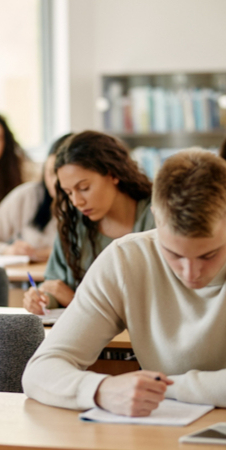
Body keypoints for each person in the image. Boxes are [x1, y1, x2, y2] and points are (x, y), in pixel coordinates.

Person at [23, 149, 226, 415]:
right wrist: (100, 390)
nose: (190, 273)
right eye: (174, 254)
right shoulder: (125, 259)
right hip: (161, 429)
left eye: (208, 255)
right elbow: (40, 371)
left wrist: (160, 388)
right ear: (156, 216)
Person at [23, 131, 154, 315]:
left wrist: (75, 301)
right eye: (68, 192)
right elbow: (56, 287)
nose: (76, 201)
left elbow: (156, 305)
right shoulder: (73, 226)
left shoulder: (157, 218)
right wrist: (43, 299)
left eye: (84, 188)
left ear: (113, 174)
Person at [0, 133, 71, 262]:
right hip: (29, 278)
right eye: (50, 173)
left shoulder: (87, 205)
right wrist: (8, 250)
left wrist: (49, 253)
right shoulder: (26, 196)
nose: (55, 182)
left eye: (62, 174)